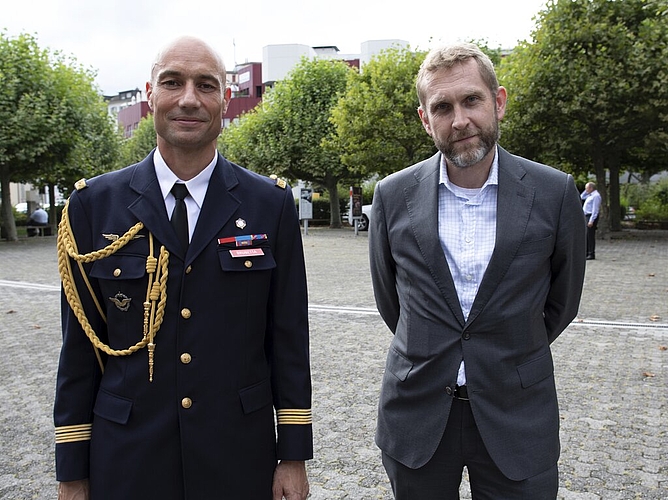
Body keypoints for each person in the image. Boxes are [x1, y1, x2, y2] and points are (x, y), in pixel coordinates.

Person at [54, 36, 312, 500]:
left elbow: (289, 339)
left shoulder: (269, 204)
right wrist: (72, 471)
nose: (189, 99)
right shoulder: (92, 207)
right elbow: (78, 351)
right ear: (150, 93)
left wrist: (292, 457)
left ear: (225, 100)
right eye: (173, 82)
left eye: (206, 85)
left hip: (238, 454)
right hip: (127, 457)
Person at [368, 43, 586, 499]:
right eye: (442, 107)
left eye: (471, 100)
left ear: (498, 101)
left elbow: (561, 303)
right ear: (426, 120)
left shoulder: (554, 192)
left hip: (517, 414)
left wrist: (508, 349)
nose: (460, 119)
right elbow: (393, 303)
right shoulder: (392, 195)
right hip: (418, 416)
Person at [581, 182, 601, 260]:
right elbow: (581, 197)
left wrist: (591, 220)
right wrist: (586, 191)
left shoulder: (596, 196)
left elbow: (595, 209)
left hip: (590, 216)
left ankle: (591, 253)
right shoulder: (589, 195)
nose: (586, 190)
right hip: (586, 216)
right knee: (586, 235)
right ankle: (586, 252)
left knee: (590, 235)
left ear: (591, 188)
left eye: (587, 188)